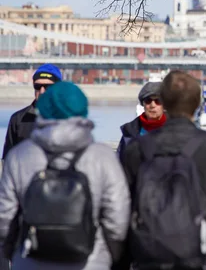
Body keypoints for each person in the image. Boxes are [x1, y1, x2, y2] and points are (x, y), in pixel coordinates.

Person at [0, 81, 130, 269]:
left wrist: (14, 253)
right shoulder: (102, 157)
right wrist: (108, 254)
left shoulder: (20, 157)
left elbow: (5, 218)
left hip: (31, 261)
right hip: (90, 262)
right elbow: (118, 219)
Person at [122, 70, 206, 269]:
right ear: (197, 104)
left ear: (165, 103)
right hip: (196, 253)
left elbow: (124, 208)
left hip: (147, 254)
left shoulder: (137, 148)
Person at [2, 64, 62, 159]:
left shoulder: (68, 120)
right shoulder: (18, 119)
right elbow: (7, 160)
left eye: (48, 86)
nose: (42, 91)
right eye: (37, 86)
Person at [117, 82, 166, 157]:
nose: (152, 105)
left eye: (158, 101)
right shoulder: (129, 131)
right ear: (143, 104)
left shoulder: (175, 129)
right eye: (148, 101)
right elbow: (120, 161)